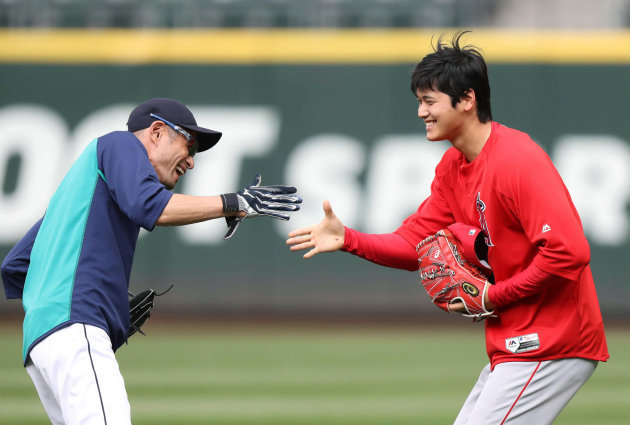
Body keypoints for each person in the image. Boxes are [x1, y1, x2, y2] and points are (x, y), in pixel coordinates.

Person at [286, 32, 608, 425]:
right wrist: (348, 239)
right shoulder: (453, 168)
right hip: (515, 344)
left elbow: (569, 252)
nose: (421, 112)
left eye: (429, 101)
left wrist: (495, 295)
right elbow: (412, 244)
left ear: (468, 99)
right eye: (419, 101)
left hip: (551, 340)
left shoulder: (517, 159)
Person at [0, 97, 302, 425]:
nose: (192, 161)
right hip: (75, 330)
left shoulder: (75, 194)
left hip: (42, 342)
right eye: (190, 144)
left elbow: (15, 266)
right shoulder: (120, 144)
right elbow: (149, 206)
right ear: (157, 131)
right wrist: (233, 202)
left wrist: (100, 312)